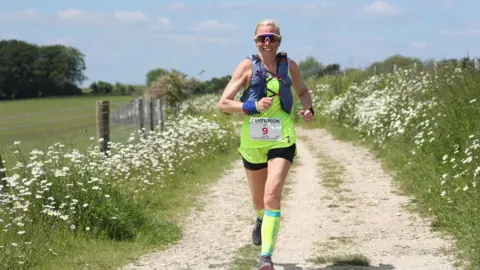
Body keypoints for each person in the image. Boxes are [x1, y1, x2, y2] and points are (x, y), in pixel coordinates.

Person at [217, 18, 314, 270]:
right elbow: (224, 103)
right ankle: (261, 219)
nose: (267, 42)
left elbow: (302, 91)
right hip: (253, 141)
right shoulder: (246, 67)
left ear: (279, 41)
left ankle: (266, 257)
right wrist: (251, 106)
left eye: (271, 37)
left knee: (272, 194)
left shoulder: (289, 66)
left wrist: (308, 109)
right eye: (262, 38)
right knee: (259, 202)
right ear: (255, 41)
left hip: (282, 138)